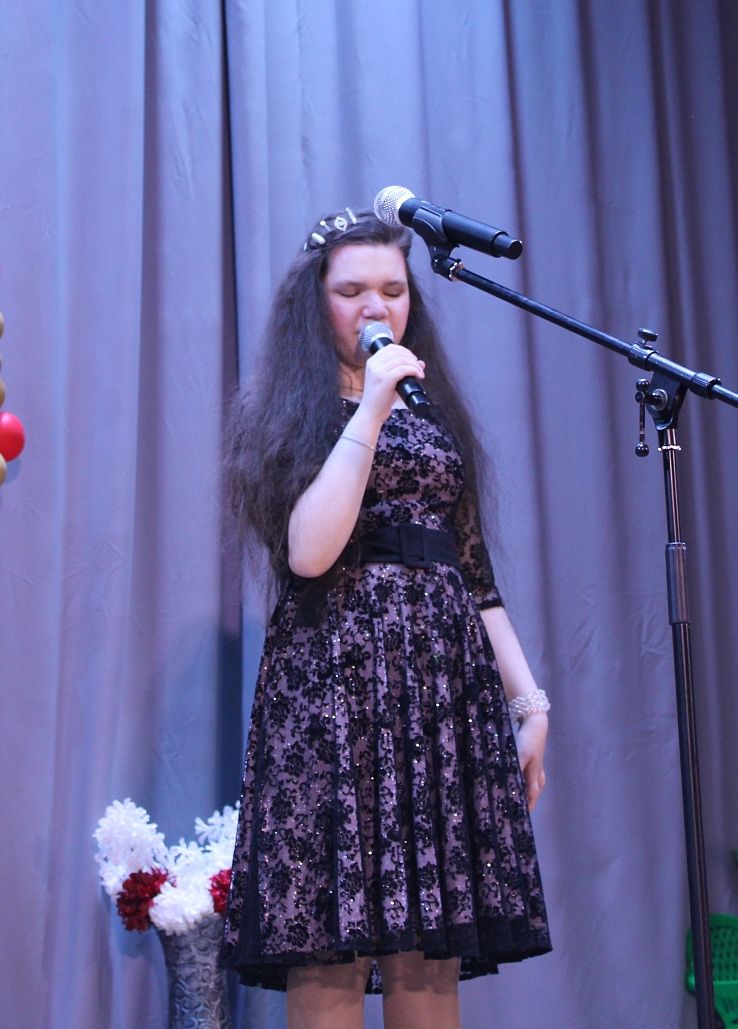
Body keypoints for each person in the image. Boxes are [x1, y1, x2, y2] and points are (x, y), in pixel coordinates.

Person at [221, 208, 552, 1028]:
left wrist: (529, 701)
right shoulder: (293, 417)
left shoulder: (433, 415)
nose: (377, 307)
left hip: (437, 697)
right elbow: (310, 553)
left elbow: (471, 571)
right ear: (315, 302)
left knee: (428, 951)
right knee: (331, 945)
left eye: (394, 291)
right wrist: (368, 408)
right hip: (334, 692)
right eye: (353, 291)